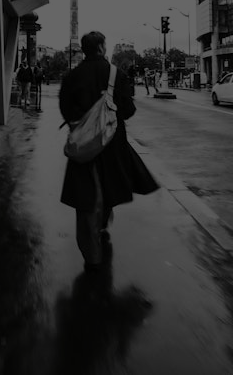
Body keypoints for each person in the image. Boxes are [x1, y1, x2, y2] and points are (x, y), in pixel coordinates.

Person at [59, 31, 159, 272]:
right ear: (102, 48)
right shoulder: (116, 74)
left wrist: (83, 124)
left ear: (84, 49)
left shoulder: (72, 76)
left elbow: (65, 108)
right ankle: (103, 223)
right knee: (109, 185)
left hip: (83, 144)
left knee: (86, 195)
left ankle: (91, 254)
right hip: (112, 144)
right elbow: (129, 110)